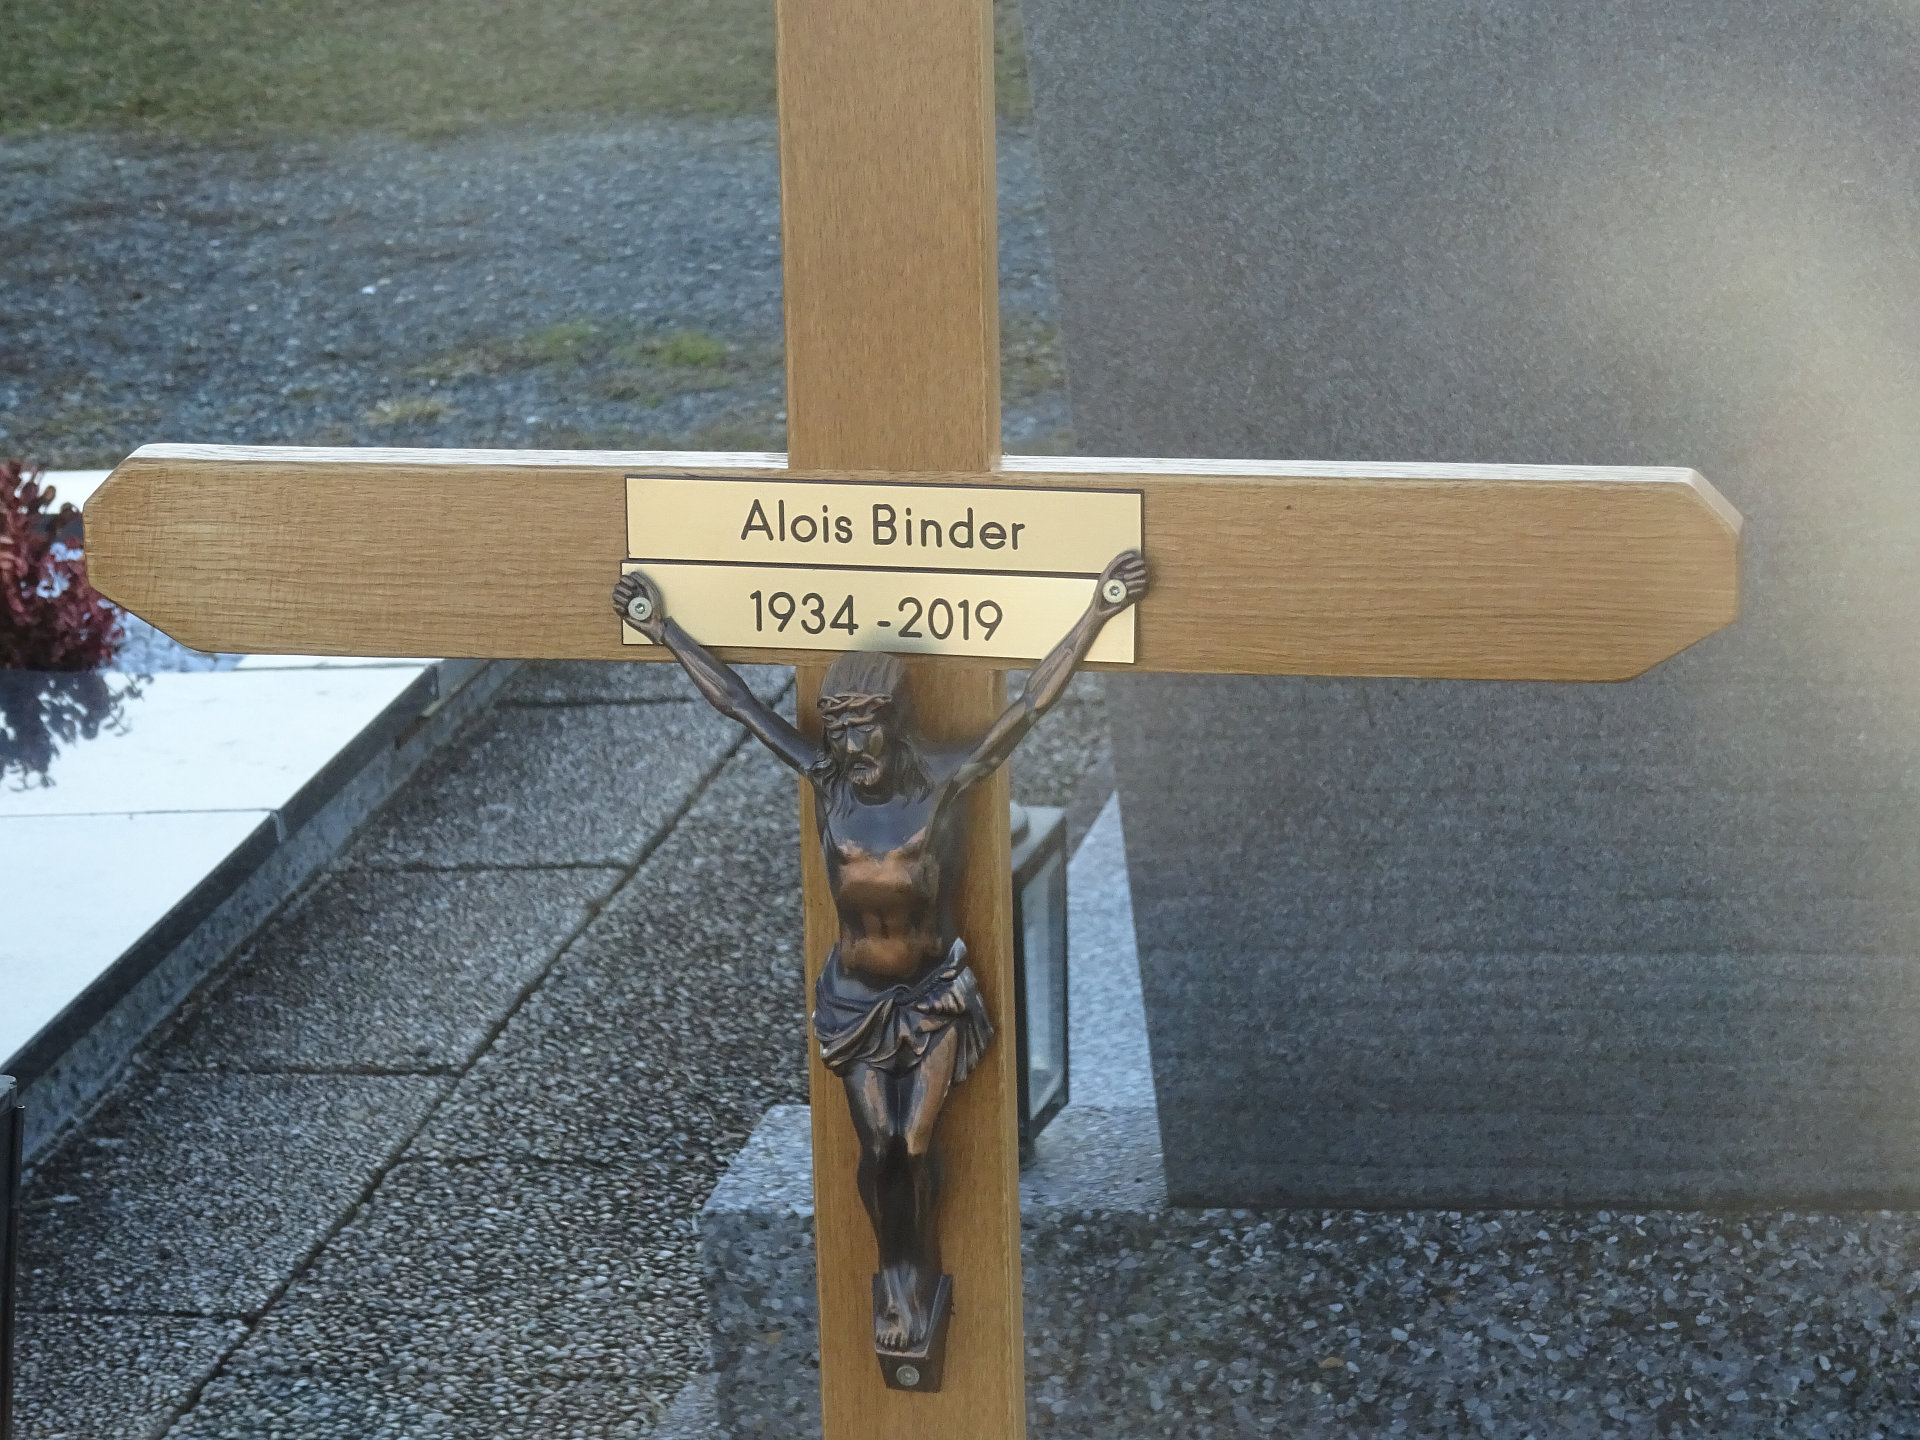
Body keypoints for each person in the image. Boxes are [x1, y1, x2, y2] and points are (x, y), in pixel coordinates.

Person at [611, 550, 1148, 1356]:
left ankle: (915, 1265)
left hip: (932, 997)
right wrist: (664, 631)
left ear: (893, 725)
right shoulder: (828, 782)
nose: (850, 746)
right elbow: (739, 704)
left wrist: (1100, 609)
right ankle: (895, 1273)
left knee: (914, 1142)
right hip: (854, 1001)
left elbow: (1031, 704)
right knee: (877, 1147)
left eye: (863, 729)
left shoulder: (943, 780)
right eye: (838, 732)